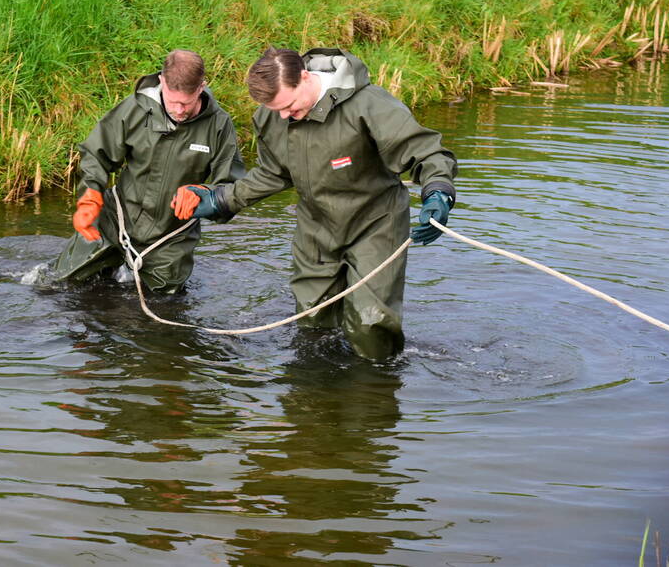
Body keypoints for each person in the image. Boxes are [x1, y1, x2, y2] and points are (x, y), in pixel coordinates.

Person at [174, 47, 457, 359]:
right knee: (311, 325)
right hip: (315, 229)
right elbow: (272, 173)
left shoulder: (369, 104)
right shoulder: (272, 116)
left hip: (375, 224)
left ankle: (376, 391)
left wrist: (438, 192)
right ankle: (314, 398)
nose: (282, 116)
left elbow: (427, 152)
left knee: (370, 325)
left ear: (305, 77)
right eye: (275, 109)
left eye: (289, 106)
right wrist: (220, 200)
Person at [51, 50, 245, 294]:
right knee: (60, 286)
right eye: (173, 101)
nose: (179, 110)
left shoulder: (219, 125)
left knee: (162, 306)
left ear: (201, 87)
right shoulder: (134, 109)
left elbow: (231, 187)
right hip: (115, 220)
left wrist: (204, 194)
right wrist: (90, 196)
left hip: (171, 236)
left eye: (186, 102)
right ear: (162, 82)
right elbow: (97, 154)